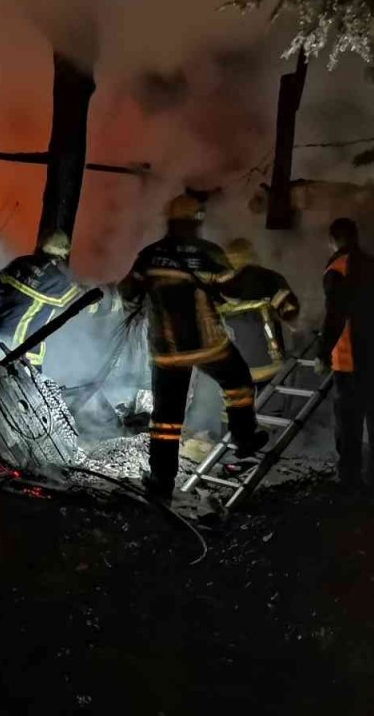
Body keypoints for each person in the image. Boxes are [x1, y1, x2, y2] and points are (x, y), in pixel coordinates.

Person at [118, 194, 268, 501]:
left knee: (166, 420)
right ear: (198, 221)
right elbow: (232, 293)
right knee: (238, 380)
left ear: (170, 220)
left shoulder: (149, 255)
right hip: (207, 344)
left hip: (166, 352)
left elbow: (128, 293)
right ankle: (244, 437)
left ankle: (161, 481)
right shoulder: (209, 252)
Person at [319, 217, 374, 489]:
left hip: (350, 358)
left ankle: (350, 477)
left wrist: (322, 353)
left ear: (333, 239)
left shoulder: (337, 268)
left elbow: (334, 317)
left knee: (349, 420)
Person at [0, 230, 80, 369]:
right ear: (63, 254)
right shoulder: (57, 280)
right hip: (22, 353)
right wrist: (113, 304)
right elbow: (82, 304)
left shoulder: (20, 262)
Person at [218, 238, 301, 387]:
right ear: (251, 253)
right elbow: (290, 311)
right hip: (269, 363)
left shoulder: (220, 284)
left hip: (234, 364)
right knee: (269, 406)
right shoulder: (271, 279)